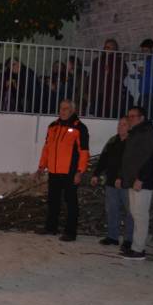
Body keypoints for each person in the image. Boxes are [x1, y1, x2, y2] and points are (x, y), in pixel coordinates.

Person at [37, 99, 90, 241]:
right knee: (53, 201)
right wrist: (42, 166)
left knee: (71, 203)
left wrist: (80, 171)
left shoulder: (79, 128)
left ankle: (70, 232)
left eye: (66, 108)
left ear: (73, 110)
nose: (62, 111)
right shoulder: (53, 126)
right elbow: (47, 148)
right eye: (61, 108)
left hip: (70, 172)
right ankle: (51, 228)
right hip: (53, 171)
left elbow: (84, 152)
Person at [116, 106, 153, 260]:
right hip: (132, 180)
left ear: (142, 117)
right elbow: (128, 158)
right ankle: (135, 246)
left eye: (134, 116)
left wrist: (141, 178)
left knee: (140, 215)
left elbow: (149, 158)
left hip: (142, 181)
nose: (130, 119)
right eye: (129, 116)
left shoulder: (147, 133)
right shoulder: (136, 133)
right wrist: (122, 176)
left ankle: (139, 250)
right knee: (135, 214)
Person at [91, 116, 133, 249]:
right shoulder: (113, 141)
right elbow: (103, 159)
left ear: (130, 127)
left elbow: (131, 164)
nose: (120, 127)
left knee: (130, 212)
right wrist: (96, 174)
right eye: (119, 124)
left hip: (126, 184)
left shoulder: (133, 142)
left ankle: (128, 240)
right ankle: (112, 237)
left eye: (124, 124)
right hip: (111, 182)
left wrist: (122, 178)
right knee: (112, 210)